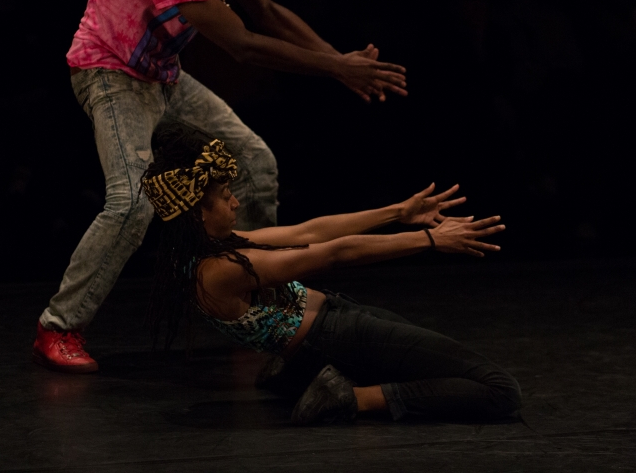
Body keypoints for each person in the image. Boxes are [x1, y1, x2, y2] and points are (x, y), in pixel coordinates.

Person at [33, 0, 409, 372]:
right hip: (110, 75)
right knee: (132, 203)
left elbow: (267, 10)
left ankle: (244, 295)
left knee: (253, 163)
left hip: (161, 75)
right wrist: (336, 69)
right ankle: (60, 325)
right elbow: (242, 45)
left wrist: (340, 62)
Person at [141, 129, 521, 425]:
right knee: (500, 391)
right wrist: (430, 240)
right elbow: (335, 252)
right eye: (226, 196)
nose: (236, 202)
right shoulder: (218, 272)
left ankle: (305, 376)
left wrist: (397, 212)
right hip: (336, 338)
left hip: (337, 325)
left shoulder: (203, 251)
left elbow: (308, 232)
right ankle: (348, 397)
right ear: (197, 215)